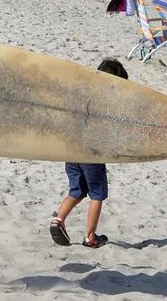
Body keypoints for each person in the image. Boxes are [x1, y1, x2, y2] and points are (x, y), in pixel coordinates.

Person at [49, 57, 128, 249]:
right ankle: (90, 237)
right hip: (91, 154)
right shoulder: (105, 103)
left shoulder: (82, 94)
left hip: (71, 150)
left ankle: (58, 220)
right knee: (97, 194)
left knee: (76, 190)